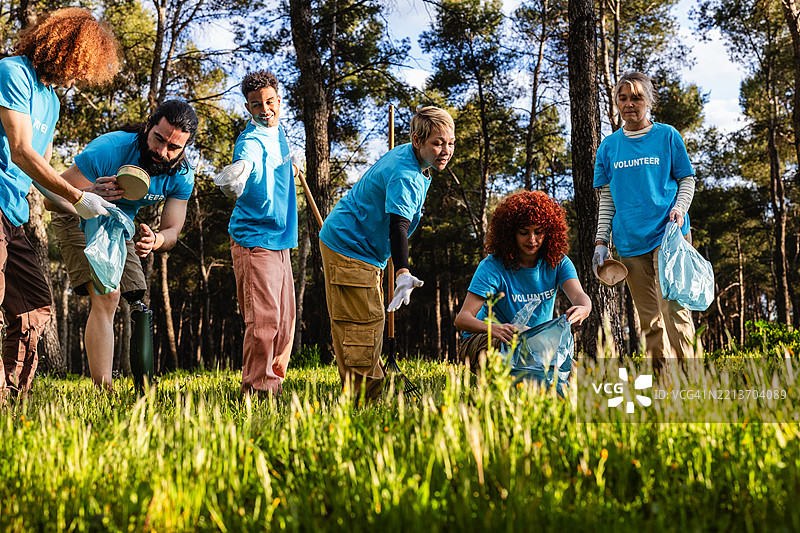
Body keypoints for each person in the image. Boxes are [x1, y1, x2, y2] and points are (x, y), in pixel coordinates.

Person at [0, 8, 120, 396]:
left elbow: (43, 174)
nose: (80, 77)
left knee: (33, 306)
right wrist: (80, 195)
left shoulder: (50, 100)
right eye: (81, 66)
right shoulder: (13, 72)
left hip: (12, 215)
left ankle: (10, 400)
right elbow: (21, 152)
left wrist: (95, 211)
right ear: (64, 49)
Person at [51, 100, 198, 388]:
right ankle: (103, 389)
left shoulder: (181, 176)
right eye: (159, 138)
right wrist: (90, 191)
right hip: (76, 213)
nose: (162, 152)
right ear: (148, 127)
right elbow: (51, 198)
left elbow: (172, 231)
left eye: (173, 148)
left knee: (136, 298)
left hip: (119, 223)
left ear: (185, 148)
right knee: (107, 295)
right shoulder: (110, 149)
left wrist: (156, 240)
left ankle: (143, 386)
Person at [318, 106, 455, 401]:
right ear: (418, 140)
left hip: (357, 246)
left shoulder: (414, 158)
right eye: (437, 143)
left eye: (450, 143)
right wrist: (403, 271)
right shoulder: (406, 174)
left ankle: (359, 392)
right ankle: (366, 402)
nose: (445, 150)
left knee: (365, 319)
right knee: (363, 324)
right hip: (351, 247)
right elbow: (399, 226)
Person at [592, 71, 697, 367]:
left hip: (670, 238)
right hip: (630, 243)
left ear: (648, 100)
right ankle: (662, 385)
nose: (629, 104)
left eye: (636, 97)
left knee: (675, 311)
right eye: (622, 98)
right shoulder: (609, 147)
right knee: (649, 319)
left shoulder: (667, 136)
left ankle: (692, 382)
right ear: (616, 103)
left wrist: (680, 208)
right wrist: (602, 242)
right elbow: (607, 200)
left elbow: (687, 180)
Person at [213, 70, 297, 397]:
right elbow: (246, 161)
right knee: (264, 323)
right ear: (248, 108)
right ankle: (257, 391)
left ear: (279, 99)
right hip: (254, 240)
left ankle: (273, 385)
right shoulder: (249, 140)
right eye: (257, 105)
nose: (266, 109)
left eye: (270, 101)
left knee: (285, 324)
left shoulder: (280, 133)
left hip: (282, 239)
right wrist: (241, 171)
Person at [454, 191, 592, 370]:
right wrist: (494, 329)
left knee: (573, 376)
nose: (532, 240)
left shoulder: (558, 262)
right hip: (487, 341)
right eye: (524, 232)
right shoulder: (492, 266)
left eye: (538, 232)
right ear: (511, 233)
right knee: (519, 353)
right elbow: (462, 319)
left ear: (549, 232)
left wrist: (584, 308)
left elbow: (580, 296)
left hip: (538, 345)